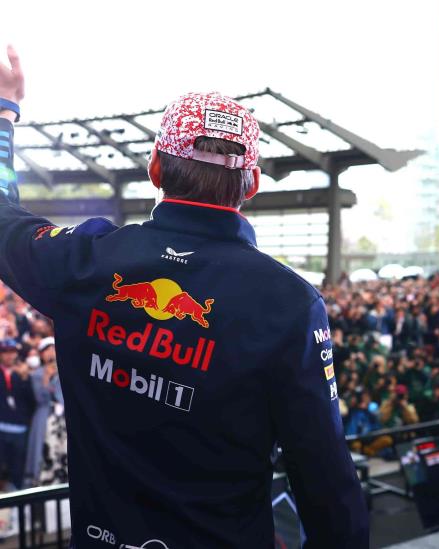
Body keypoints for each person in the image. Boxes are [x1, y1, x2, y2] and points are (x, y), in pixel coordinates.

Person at [0, 47, 368, 548]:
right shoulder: (288, 303)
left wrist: (5, 111)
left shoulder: (86, 261)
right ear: (253, 183)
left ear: (154, 168)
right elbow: (325, 483)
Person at [24, 337, 63, 487]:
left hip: (63, 419)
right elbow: (40, 398)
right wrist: (47, 378)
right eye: (46, 350)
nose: (50, 352)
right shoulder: (36, 374)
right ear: (41, 354)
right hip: (45, 416)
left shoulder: (66, 370)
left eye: (53, 348)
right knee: (42, 450)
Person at [0, 338, 34, 489]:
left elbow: (31, 401)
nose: (8, 355)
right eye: (5, 352)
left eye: (12, 352)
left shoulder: (23, 373)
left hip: (20, 429)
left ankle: (17, 508)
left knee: (18, 470)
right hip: (1, 427)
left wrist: (25, 379)